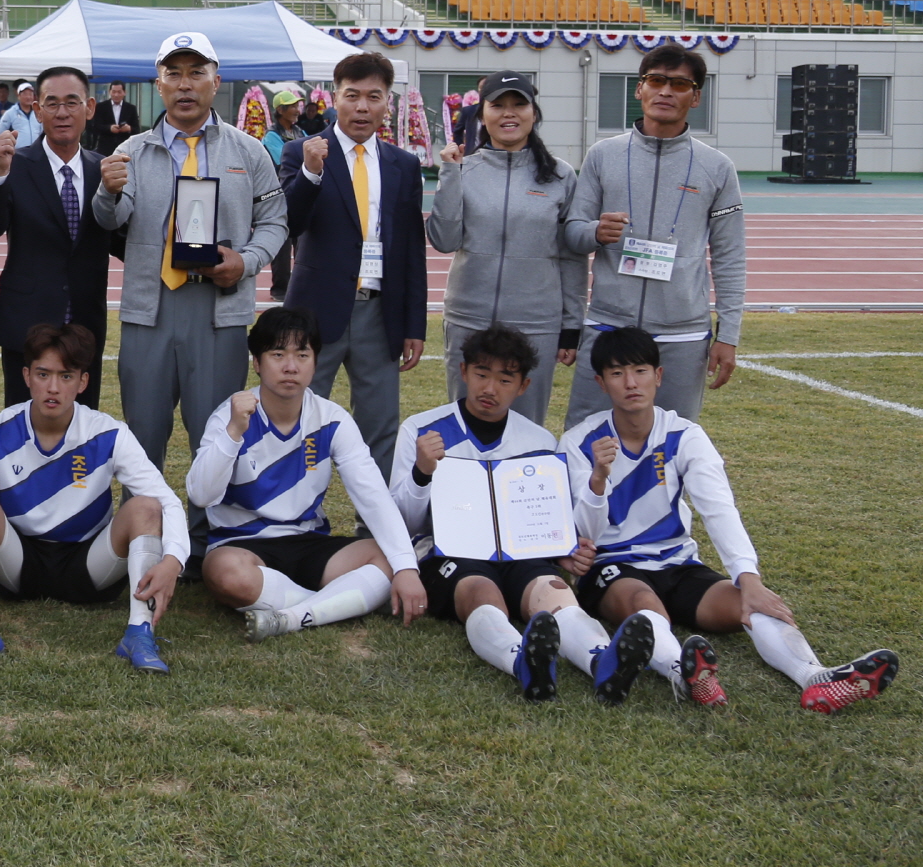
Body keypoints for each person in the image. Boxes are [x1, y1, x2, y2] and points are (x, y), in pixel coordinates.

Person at [561, 326, 898, 713]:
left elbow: (718, 507)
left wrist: (748, 579)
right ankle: (686, 677)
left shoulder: (684, 435)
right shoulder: (579, 441)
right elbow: (584, 535)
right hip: (612, 566)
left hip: (677, 563)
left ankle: (815, 678)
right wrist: (598, 478)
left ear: (659, 376)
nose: (630, 383)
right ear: (601, 383)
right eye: (617, 373)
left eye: (639, 370)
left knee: (752, 606)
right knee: (643, 602)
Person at [389, 325, 652, 703]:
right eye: (481, 375)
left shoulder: (540, 442)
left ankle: (602, 661)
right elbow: (403, 521)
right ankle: (521, 661)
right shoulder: (422, 429)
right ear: (463, 373)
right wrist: (421, 471)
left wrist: (563, 547)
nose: (490, 389)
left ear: (524, 386)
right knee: (482, 591)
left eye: (505, 379)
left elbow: (549, 518)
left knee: (555, 590)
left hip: (521, 553)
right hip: (451, 553)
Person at [89, 31, 286, 477]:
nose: (184, 84)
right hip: (150, 308)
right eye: (173, 74)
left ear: (216, 82)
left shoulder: (249, 151)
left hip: (220, 313)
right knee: (142, 439)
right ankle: (143, 539)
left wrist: (247, 261)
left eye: (196, 73)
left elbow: (276, 221)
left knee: (217, 439)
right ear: (158, 85)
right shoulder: (131, 151)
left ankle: (207, 539)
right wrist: (106, 191)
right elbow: (110, 218)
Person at [0, 323, 185, 673]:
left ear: (83, 382)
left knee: (146, 507)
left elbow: (168, 502)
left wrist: (173, 560)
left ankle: (140, 634)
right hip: (17, 564)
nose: (53, 387)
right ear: (26, 376)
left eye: (66, 376)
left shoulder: (108, 432)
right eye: (43, 374)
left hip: (89, 564)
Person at [188, 307, 423, 639]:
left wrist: (407, 568)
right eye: (277, 354)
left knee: (390, 556)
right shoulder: (231, 415)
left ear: (315, 362)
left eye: (302, 354)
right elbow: (201, 495)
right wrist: (233, 434)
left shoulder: (331, 418)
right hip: (242, 546)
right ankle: (334, 605)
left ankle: (295, 616)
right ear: (257, 362)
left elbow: (372, 495)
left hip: (309, 542)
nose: (290, 366)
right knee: (226, 576)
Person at [563, 43, 745, 426]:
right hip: (609, 326)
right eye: (656, 80)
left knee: (672, 442)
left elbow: (730, 257)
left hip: (682, 335)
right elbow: (572, 234)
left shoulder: (718, 168)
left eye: (680, 84)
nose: (666, 92)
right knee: (588, 436)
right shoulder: (602, 155)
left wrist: (727, 334)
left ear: (695, 97)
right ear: (639, 88)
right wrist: (596, 231)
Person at [278, 51, 426, 482]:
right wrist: (310, 173)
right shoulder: (301, 152)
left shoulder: (403, 165)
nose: (362, 107)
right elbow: (289, 222)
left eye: (373, 97)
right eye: (352, 96)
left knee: (380, 426)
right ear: (334, 99)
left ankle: (373, 527)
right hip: (315, 312)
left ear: (387, 104)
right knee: (301, 419)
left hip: (379, 313)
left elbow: (411, 249)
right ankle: (295, 516)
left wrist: (414, 323)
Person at [426, 70, 590, 427]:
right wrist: (450, 173)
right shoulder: (464, 170)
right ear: (482, 114)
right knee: (465, 423)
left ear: (534, 113)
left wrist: (571, 326)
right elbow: (443, 239)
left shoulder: (561, 176)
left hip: (536, 323)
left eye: (519, 104)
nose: (509, 113)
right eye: (498, 105)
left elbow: (571, 258)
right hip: (469, 317)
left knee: (526, 426)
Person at [0, 65, 113, 408]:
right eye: (52, 103)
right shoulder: (13, 164)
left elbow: (125, 239)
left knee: (82, 424)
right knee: (22, 424)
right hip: (27, 319)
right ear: (37, 109)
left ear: (90, 107)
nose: (62, 113)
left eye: (72, 102)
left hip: (85, 321)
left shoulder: (104, 171)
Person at [258, 89, 305, 298]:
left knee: (303, 244)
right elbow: (285, 162)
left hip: (301, 192)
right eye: (293, 106)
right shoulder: (271, 136)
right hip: (279, 197)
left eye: (297, 105)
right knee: (283, 246)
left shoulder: (299, 132)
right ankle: (280, 290)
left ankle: (302, 287)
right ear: (280, 110)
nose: (297, 110)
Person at [90, 81, 142, 156]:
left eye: (119, 92)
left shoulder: (131, 108)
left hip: (125, 148)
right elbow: (95, 127)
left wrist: (129, 128)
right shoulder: (101, 107)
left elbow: (137, 129)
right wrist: (109, 128)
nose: (116, 95)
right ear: (109, 92)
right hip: (105, 148)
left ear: (124, 92)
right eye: (113, 92)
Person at [0, 81, 40, 146]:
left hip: (36, 151)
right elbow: (0, 133)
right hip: (18, 152)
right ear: (18, 96)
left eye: (30, 94)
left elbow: (42, 132)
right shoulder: (10, 113)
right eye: (25, 94)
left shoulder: (37, 112)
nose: (28, 97)